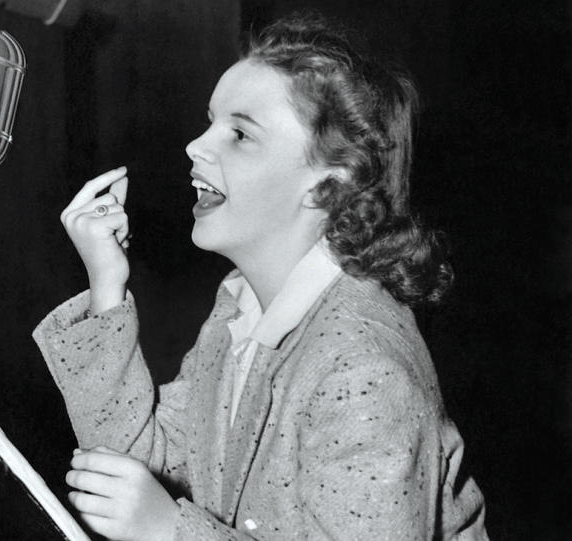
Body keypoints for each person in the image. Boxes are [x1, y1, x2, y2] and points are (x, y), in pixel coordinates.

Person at [32, 12, 487, 541]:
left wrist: (172, 530)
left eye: (240, 134)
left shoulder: (363, 369)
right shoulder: (242, 311)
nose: (196, 146)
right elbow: (137, 464)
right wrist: (107, 285)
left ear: (326, 187)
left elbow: (153, 512)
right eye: (211, 122)